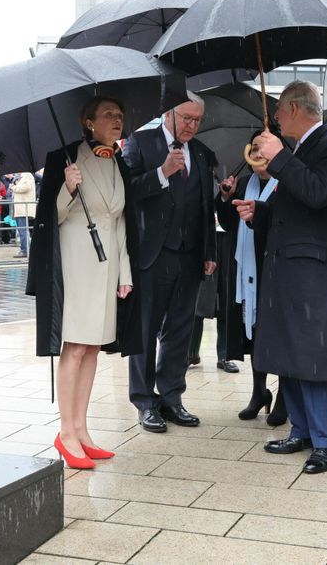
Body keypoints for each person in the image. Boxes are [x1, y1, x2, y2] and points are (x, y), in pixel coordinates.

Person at [234, 80, 327, 474]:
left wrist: (281, 159)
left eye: (279, 112)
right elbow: (297, 210)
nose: (275, 119)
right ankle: (301, 429)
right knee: (291, 351)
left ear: (297, 109)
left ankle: (326, 440)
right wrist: (261, 213)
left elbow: (320, 194)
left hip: (313, 269)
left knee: (314, 354)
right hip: (287, 266)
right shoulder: (300, 151)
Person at [27, 96, 141, 468]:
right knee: (74, 347)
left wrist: (125, 272)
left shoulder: (118, 162)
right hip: (75, 265)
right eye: (109, 114)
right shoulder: (64, 158)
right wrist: (68, 189)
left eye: (120, 115)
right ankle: (66, 432)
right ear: (88, 122)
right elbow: (49, 220)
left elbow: (121, 221)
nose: (117, 119)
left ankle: (82, 428)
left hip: (106, 268)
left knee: (93, 348)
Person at [122, 92, 217, 433]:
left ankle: (172, 396)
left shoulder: (203, 153)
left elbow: (206, 206)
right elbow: (126, 192)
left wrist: (209, 252)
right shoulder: (140, 142)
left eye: (197, 120)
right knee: (145, 331)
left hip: (190, 255)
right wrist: (162, 173)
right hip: (152, 254)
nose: (192, 126)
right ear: (167, 114)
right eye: (186, 118)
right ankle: (144, 401)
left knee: (180, 330)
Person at [218, 130, 286, 425]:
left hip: (271, 267)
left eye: (264, 147)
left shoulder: (285, 183)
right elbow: (227, 222)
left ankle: (284, 396)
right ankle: (259, 392)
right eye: (254, 147)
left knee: (277, 333)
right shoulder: (244, 183)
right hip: (244, 268)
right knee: (253, 332)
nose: (258, 152)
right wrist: (225, 197)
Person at [11, 171, 37, 258]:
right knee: (22, 230)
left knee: (23, 231)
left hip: (23, 209)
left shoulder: (28, 175)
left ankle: (25, 250)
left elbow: (25, 187)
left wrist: (14, 187)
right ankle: (25, 249)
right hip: (21, 209)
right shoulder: (23, 176)